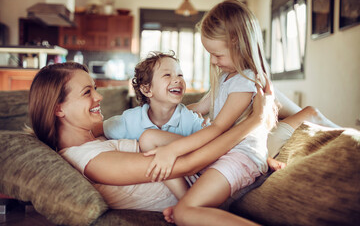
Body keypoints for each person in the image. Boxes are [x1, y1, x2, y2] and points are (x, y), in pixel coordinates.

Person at [28, 61, 271, 223]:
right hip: (213, 186)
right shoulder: (91, 160)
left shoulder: (97, 135)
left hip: (219, 166)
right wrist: (254, 121)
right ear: (58, 109)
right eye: (87, 92)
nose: (99, 96)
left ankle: (304, 116)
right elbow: (189, 165)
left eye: (95, 88)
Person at [141, 0, 278, 226]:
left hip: (240, 156)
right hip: (221, 150)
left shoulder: (247, 80)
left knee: (185, 214)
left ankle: (188, 207)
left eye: (218, 55)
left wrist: (172, 150)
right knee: (149, 138)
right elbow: (198, 108)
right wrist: (161, 110)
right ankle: (189, 200)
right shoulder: (226, 77)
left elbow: (218, 127)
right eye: (210, 55)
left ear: (238, 43)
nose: (213, 62)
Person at [92, 51, 208, 200]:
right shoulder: (129, 120)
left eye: (180, 75)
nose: (177, 80)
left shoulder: (189, 119)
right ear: (147, 89)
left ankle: (188, 201)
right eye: (167, 75)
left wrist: (206, 125)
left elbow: (210, 142)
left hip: (193, 176)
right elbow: (96, 130)